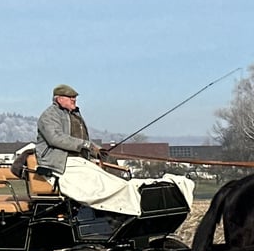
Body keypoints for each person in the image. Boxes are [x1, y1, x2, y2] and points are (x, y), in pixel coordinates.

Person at [35, 83, 194, 215]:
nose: (74, 100)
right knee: (102, 184)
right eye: (71, 98)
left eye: (74, 98)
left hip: (79, 161)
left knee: (111, 179)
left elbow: (81, 140)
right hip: (60, 163)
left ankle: (128, 204)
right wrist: (86, 145)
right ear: (59, 99)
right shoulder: (49, 115)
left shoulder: (74, 115)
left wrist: (93, 150)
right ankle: (125, 209)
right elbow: (55, 138)